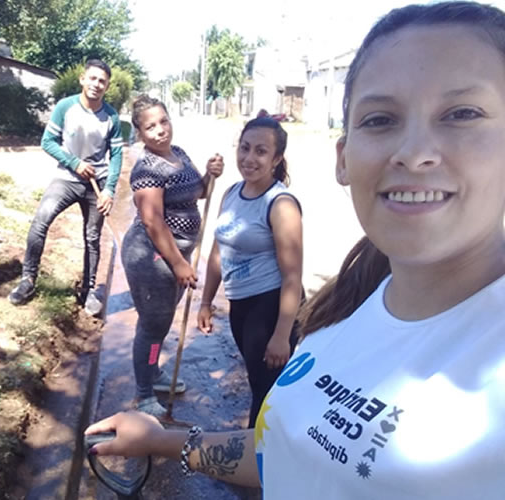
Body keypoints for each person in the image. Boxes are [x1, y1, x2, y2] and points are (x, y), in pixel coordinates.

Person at [86, 3, 505, 498]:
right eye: (380, 119)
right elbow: (282, 450)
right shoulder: (345, 308)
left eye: (462, 113)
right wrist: (164, 440)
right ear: (344, 158)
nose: (415, 152)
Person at [197, 117, 302, 429]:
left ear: (276, 159)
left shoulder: (281, 205)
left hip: (269, 308)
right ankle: (263, 451)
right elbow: (218, 252)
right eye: (244, 148)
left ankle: (257, 462)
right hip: (240, 306)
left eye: (260, 151)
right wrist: (205, 302)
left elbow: (293, 277)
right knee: (259, 382)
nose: (249, 158)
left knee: (265, 391)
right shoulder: (231, 192)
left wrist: (282, 335)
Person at [122, 95, 223, 417]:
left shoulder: (178, 155)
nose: (160, 130)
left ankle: (152, 373)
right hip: (152, 256)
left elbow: (199, 193)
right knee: (153, 325)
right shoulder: (146, 168)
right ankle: (142, 394)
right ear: (140, 133)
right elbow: (152, 221)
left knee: (160, 322)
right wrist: (179, 263)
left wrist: (209, 174)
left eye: (163, 121)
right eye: (150, 127)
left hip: (174, 256)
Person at [9, 59, 124, 316]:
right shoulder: (65, 107)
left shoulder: (111, 117)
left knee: (92, 237)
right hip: (67, 179)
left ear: (107, 86)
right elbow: (47, 141)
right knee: (41, 221)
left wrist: (109, 191)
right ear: (83, 79)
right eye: (92, 78)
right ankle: (28, 280)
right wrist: (74, 163)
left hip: (98, 184)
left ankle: (90, 290)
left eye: (102, 81)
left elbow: (116, 156)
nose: (96, 84)